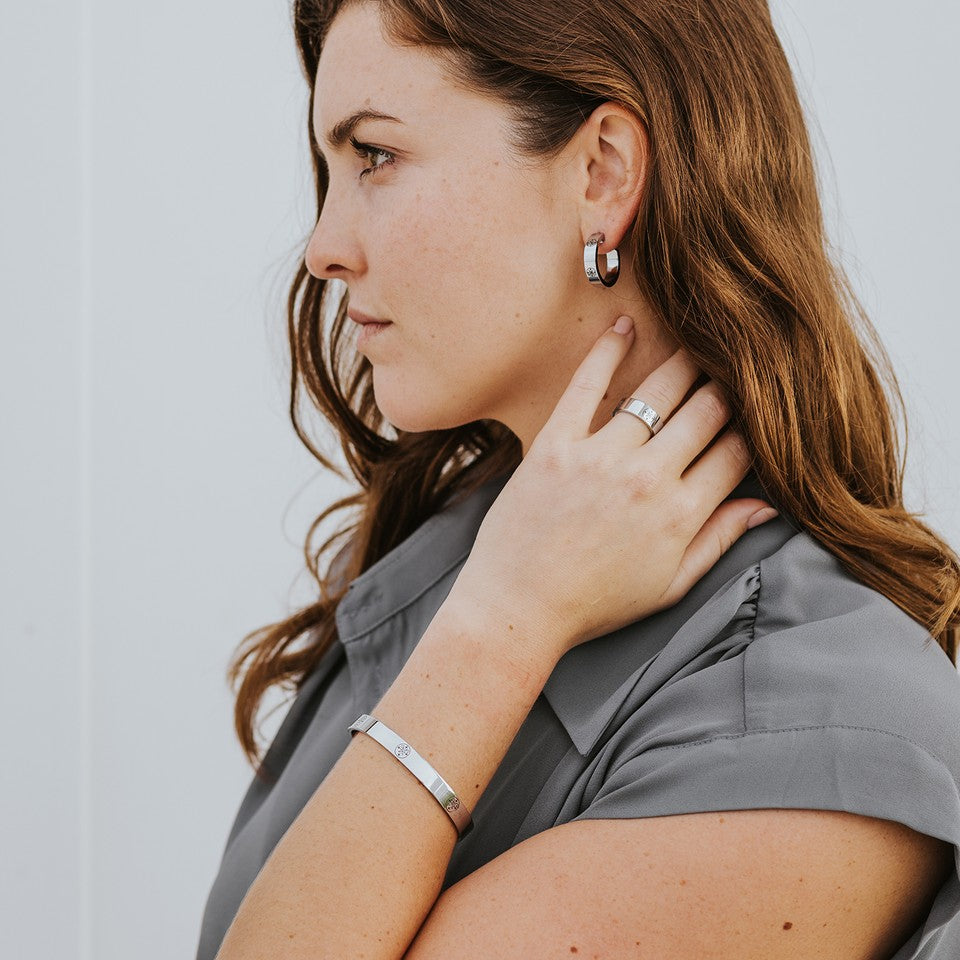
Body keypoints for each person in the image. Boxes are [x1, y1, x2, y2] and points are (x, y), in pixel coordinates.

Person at [195, 1, 960, 958]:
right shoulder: (450, 547)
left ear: (602, 173)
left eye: (376, 157)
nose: (323, 245)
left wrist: (496, 632)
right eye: (331, 166)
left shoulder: (815, 723)